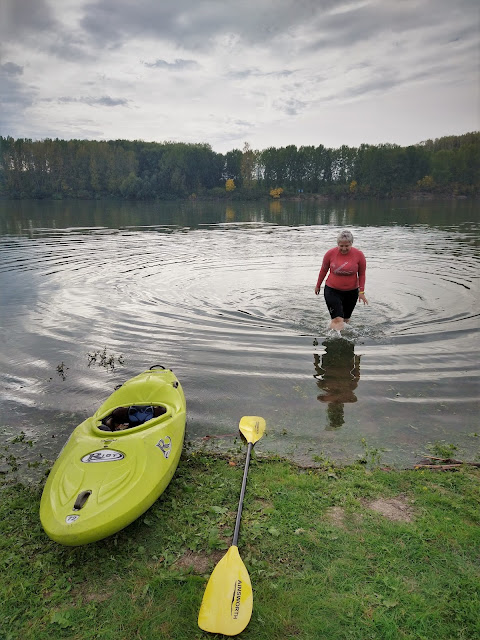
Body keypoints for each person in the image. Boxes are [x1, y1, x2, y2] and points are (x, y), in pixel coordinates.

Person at [314, 230, 368, 331]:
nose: (343, 248)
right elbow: (323, 270)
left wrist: (361, 292)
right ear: (337, 244)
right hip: (332, 290)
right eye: (341, 246)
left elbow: (362, 274)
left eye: (346, 246)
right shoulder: (330, 254)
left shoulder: (359, 255)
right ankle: (335, 338)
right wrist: (318, 285)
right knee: (338, 320)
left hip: (351, 292)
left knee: (346, 320)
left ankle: (339, 336)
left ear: (351, 244)